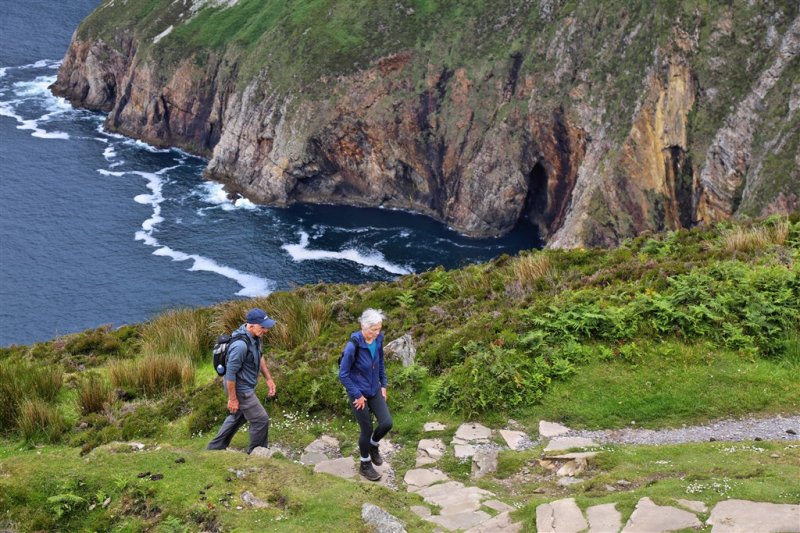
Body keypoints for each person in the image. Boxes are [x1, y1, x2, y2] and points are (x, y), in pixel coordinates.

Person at [207, 308, 277, 454]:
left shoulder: (255, 337)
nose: (266, 330)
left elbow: (260, 356)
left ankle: (214, 449)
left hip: (244, 386)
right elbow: (230, 375)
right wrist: (233, 399)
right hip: (240, 388)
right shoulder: (240, 346)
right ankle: (257, 453)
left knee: (238, 417)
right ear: (251, 325)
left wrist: (269, 379)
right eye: (263, 327)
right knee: (260, 419)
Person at [338, 308, 393, 481]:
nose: (377, 333)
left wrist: (383, 384)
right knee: (367, 428)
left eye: (379, 329)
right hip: (358, 392)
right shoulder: (353, 345)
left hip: (374, 388)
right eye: (374, 329)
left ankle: (373, 445)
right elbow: (343, 374)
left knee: (386, 423)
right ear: (363, 326)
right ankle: (365, 464)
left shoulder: (378, 340)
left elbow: (381, 362)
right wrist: (357, 395)